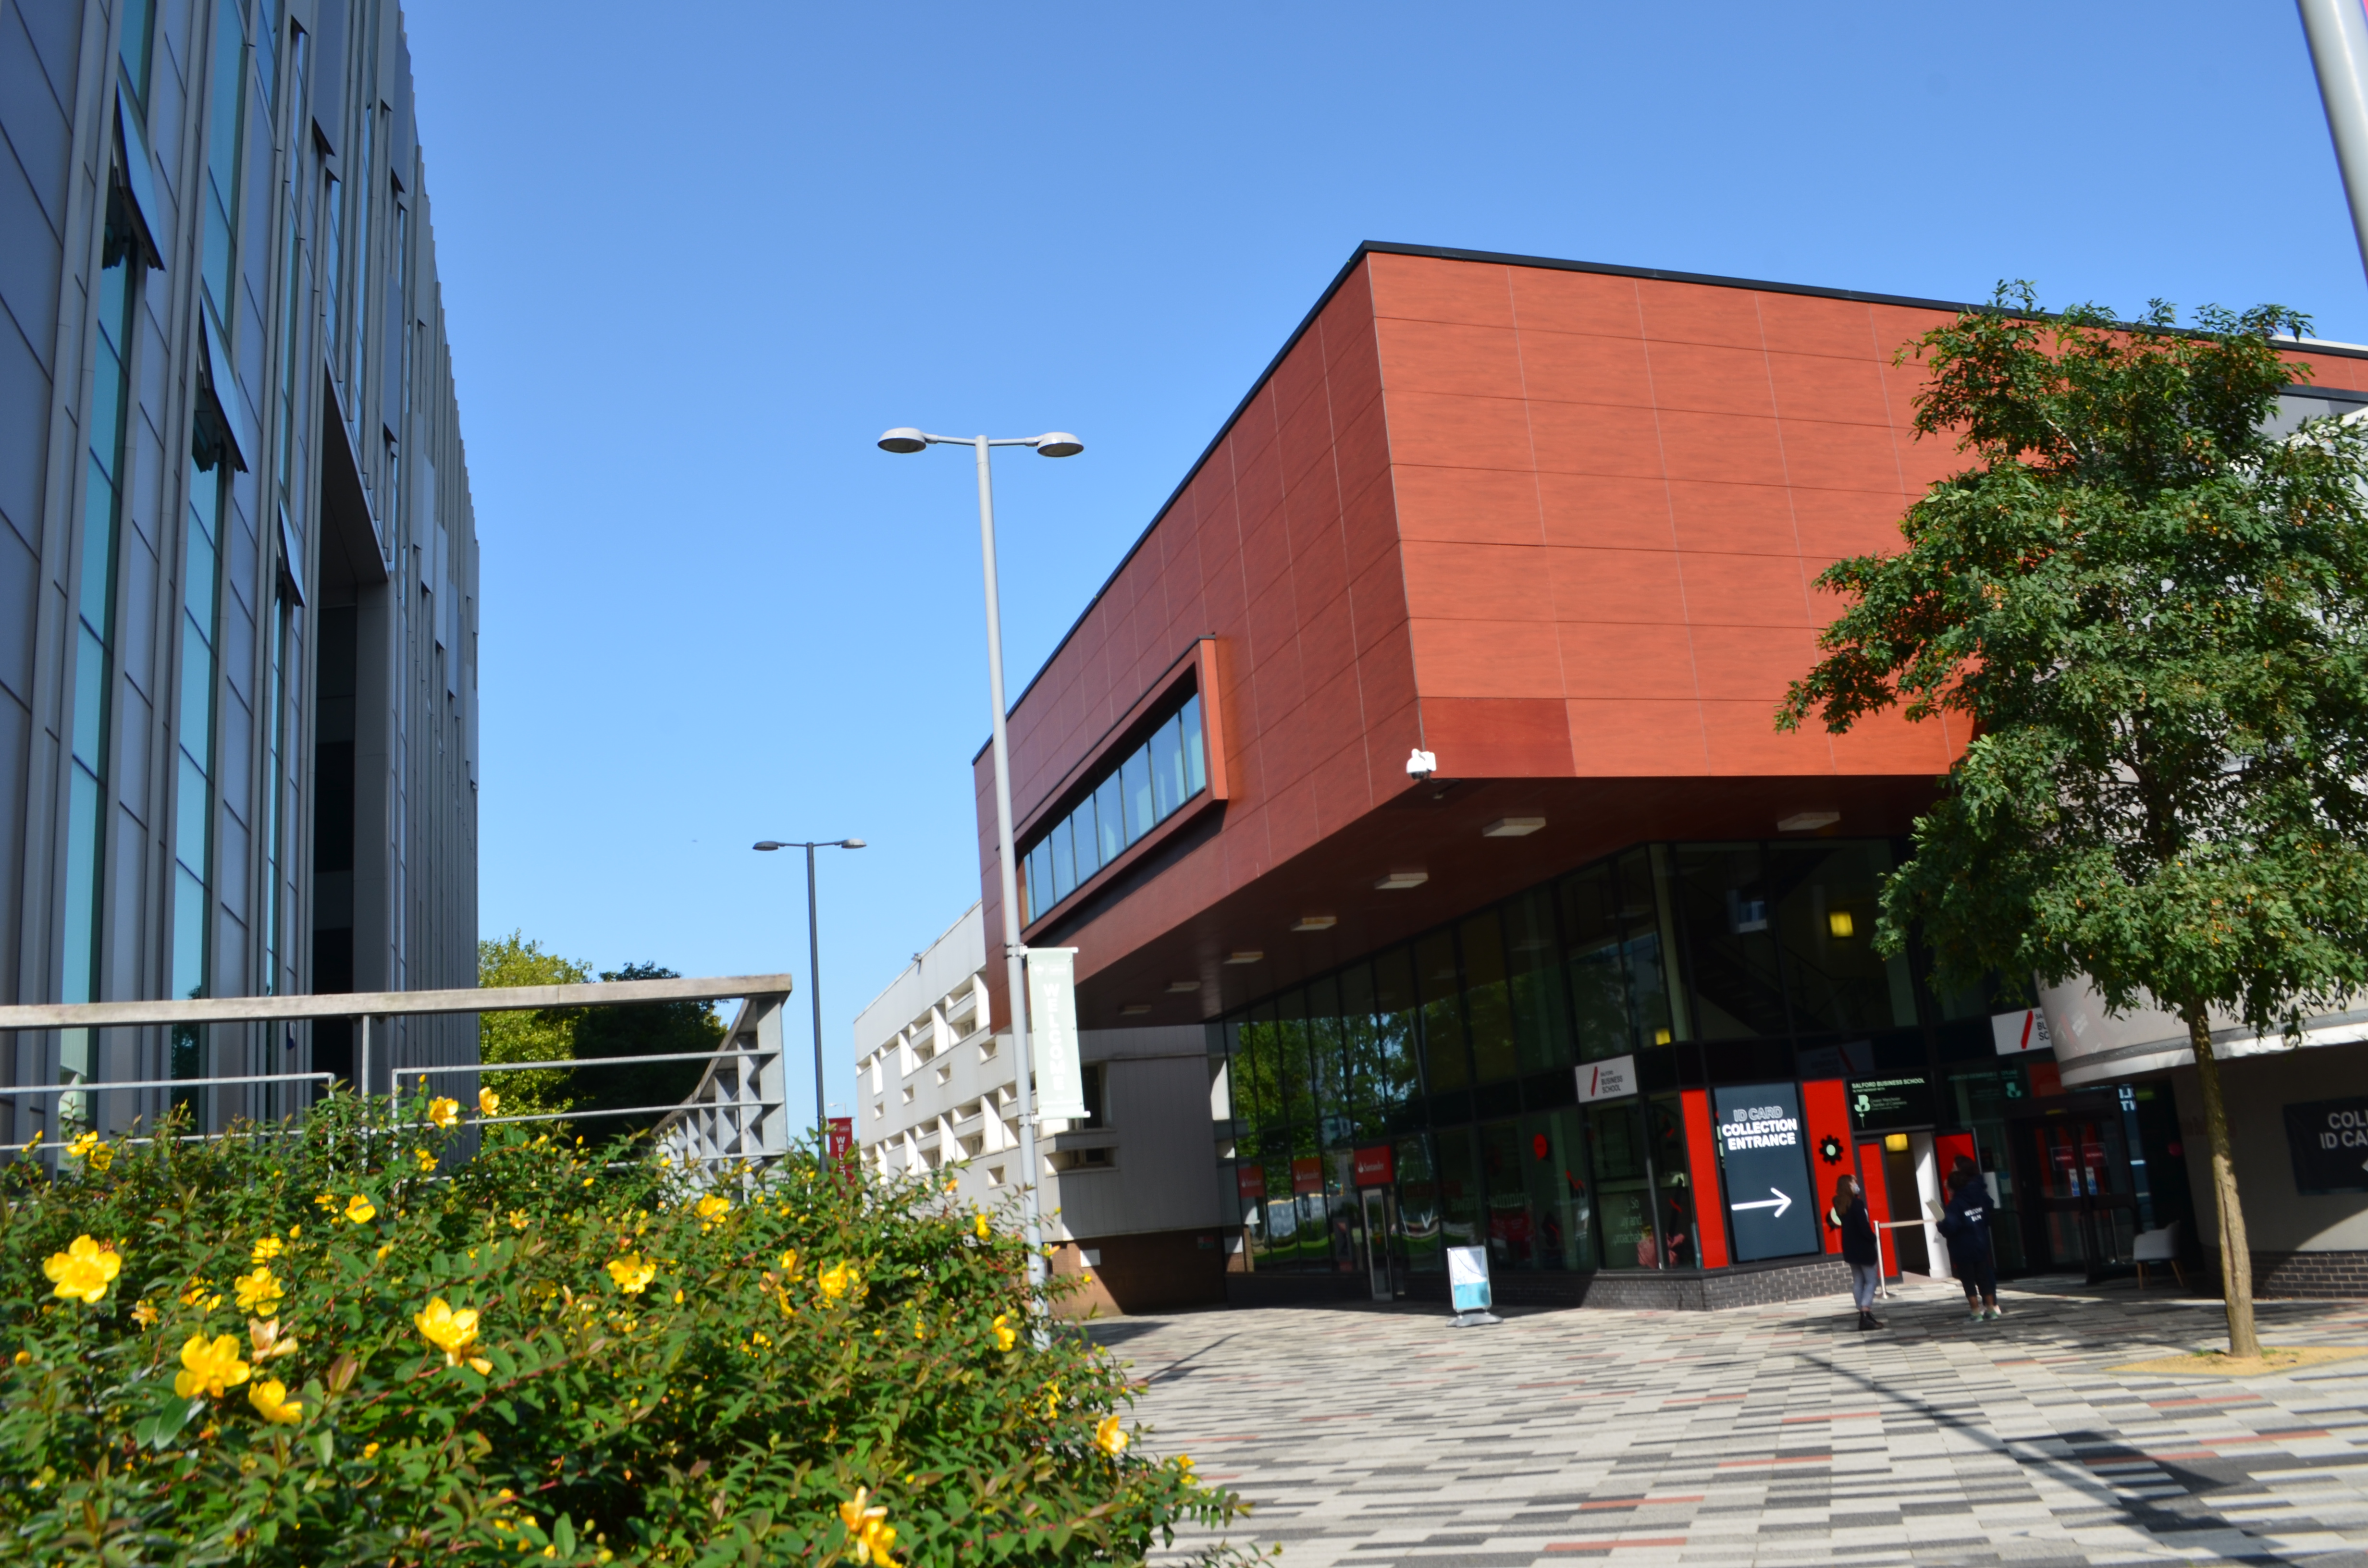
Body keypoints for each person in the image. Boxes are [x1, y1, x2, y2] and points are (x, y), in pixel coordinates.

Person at [1936, 1157, 2001, 1321]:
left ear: (1952, 1188)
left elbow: (1950, 1228)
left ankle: (1975, 1312)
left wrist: (1940, 1223)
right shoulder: (1978, 1197)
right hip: (1980, 1244)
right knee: (1983, 1278)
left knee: (1968, 1281)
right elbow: (1986, 1218)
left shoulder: (1955, 1205)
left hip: (1963, 1248)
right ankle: (1991, 1310)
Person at [1827, 1175, 1882, 1329]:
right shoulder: (1857, 1204)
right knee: (1871, 1281)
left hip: (1850, 1248)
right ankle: (1866, 1312)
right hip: (1864, 1247)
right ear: (1848, 1185)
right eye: (1854, 1183)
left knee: (1858, 1280)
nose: (1856, 1185)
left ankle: (1863, 1313)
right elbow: (1863, 1227)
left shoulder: (1838, 1203)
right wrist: (1873, 1238)